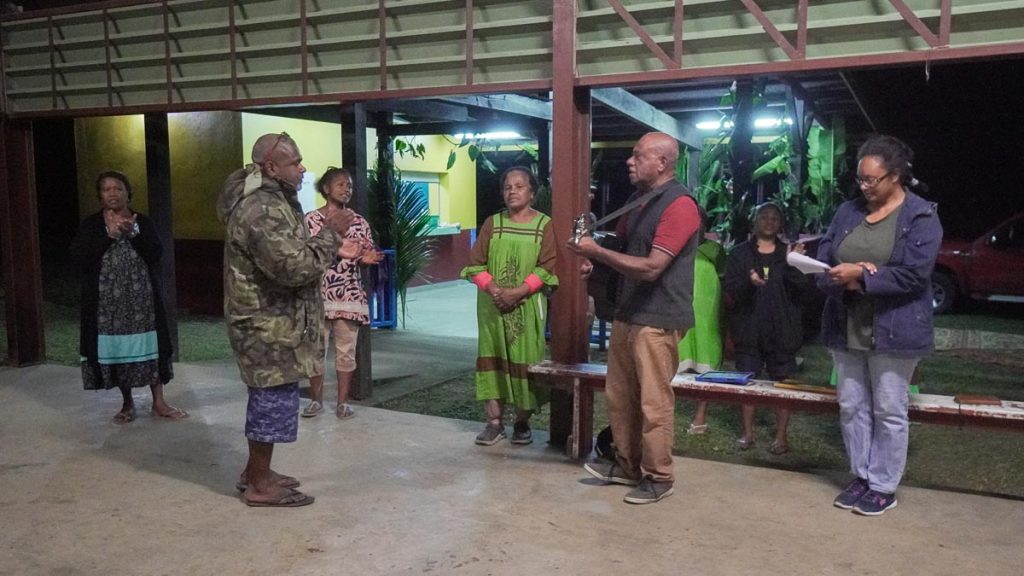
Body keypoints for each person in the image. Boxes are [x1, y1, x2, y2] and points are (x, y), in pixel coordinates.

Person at [217, 132, 353, 507]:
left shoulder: (275, 201)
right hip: (265, 325)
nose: (303, 168)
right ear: (271, 167)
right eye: (295, 162)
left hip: (274, 322)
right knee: (270, 400)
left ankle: (255, 472)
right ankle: (260, 485)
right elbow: (293, 267)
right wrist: (331, 237)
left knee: (272, 398)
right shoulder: (260, 209)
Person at [569, 132, 701, 505]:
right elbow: (623, 250)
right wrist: (594, 261)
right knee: (620, 396)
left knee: (653, 403)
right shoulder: (641, 200)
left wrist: (595, 250)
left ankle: (659, 477)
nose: (630, 161)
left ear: (662, 163)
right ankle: (628, 466)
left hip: (657, 318)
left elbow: (651, 267)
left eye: (638, 155)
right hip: (629, 313)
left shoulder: (680, 205)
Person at [817, 135, 942, 516]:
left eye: (873, 180)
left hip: (894, 328)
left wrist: (863, 277)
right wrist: (832, 275)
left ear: (896, 176)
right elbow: (826, 256)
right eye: (861, 179)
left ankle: (884, 485)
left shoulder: (921, 216)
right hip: (846, 323)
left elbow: (915, 275)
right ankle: (861, 475)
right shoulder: (847, 212)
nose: (865, 187)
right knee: (852, 404)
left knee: (889, 408)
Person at [71, 171, 187, 424]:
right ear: (100, 195)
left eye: (118, 188)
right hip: (107, 303)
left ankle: (159, 401)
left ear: (127, 193)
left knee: (150, 347)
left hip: (142, 299)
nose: (113, 193)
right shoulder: (91, 224)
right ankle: (127, 403)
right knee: (118, 350)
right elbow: (81, 258)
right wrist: (109, 235)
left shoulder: (142, 221)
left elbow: (155, 254)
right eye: (107, 189)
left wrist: (134, 233)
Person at [462, 166, 558, 446]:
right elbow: (474, 264)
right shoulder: (493, 223)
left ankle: (522, 422)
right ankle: (494, 423)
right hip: (492, 307)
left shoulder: (544, 225)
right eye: (507, 187)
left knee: (525, 360)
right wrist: (495, 289)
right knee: (492, 359)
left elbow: (547, 266)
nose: (512, 191)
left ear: (532, 192)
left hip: (526, 307)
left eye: (519, 186)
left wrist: (517, 293)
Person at [724, 202, 806, 455]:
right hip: (749, 326)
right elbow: (731, 290)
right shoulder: (739, 253)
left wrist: (795, 263)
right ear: (755, 221)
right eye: (764, 217)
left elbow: (803, 287)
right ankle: (747, 433)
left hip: (783, 328)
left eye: (774, 218)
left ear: (780, 223)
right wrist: (749, 284)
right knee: (748, 381)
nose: (769, 222)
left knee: (784, 383)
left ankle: (781, 436)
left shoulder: (789, 253)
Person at [301, 167, 382, 420]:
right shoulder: (312, 220)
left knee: (346, 351)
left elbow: (366, 252)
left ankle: (342, 403)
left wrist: (366, 258)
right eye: (340, 184)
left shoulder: (359, 222)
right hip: (319, 295)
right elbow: (309, 251)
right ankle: (316, 401)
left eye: (349, 185)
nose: (346, 189)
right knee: (316, 350)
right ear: (326, 189)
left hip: (349, 294)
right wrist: (345, 249)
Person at [678, 233, 726, 436]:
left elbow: (724, 274)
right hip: (680, 308)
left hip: (708, 313)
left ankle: (700, 418)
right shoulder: (677, 245)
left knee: (706, 363)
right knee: (674, 361)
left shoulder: (715, 250)